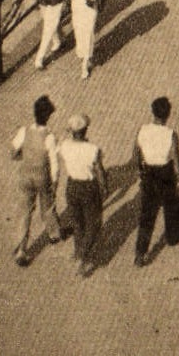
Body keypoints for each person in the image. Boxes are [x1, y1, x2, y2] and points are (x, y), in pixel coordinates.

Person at [9, 94, 63, 266]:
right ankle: (54, 233)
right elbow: (54, 163)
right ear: (47, 116)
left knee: (24, 211)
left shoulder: (24, 131)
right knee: (47, 205)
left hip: (25, 176)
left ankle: (21, 248)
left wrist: (22, 156)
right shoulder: (49, 137)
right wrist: (55, 182)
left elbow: (13, 150)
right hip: (42, 177)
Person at [134, 97, 179, 266]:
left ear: (153, 112)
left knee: (147, 214)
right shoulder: (170, 134)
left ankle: (140, 253)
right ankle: (173, 237)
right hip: (165, 174)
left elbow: (136, 153)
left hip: (149, 173)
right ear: (168, 114)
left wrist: (140, 171)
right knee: (173, 205)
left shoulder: (142, 130)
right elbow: (177, 160)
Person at [58, 113, 107, 278]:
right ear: (86, 130)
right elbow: (100, 172)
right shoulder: (93, 149)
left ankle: (77, 250)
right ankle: (82, 256)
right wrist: (104, 189)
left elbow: (65, 148)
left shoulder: (64, 146)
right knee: (94, 223)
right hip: (88, 187)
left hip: (71, 186)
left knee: (77, 223)